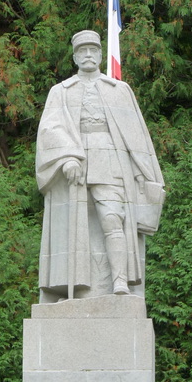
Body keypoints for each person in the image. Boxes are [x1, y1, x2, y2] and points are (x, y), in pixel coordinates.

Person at [35, 30, 165, 302]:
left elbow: (137, 139)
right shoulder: (60, 91)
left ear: (100, 54)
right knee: (75, 226)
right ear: (74, 57)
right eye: (82, 51)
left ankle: (119, 282)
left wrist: (145, 176)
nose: (88, 55)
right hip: (77, 161)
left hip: (110, 160)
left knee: (112, 219)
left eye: (93, 50)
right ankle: (79, 289)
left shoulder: (119, 90)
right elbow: (50, 129)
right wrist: (67, 157)